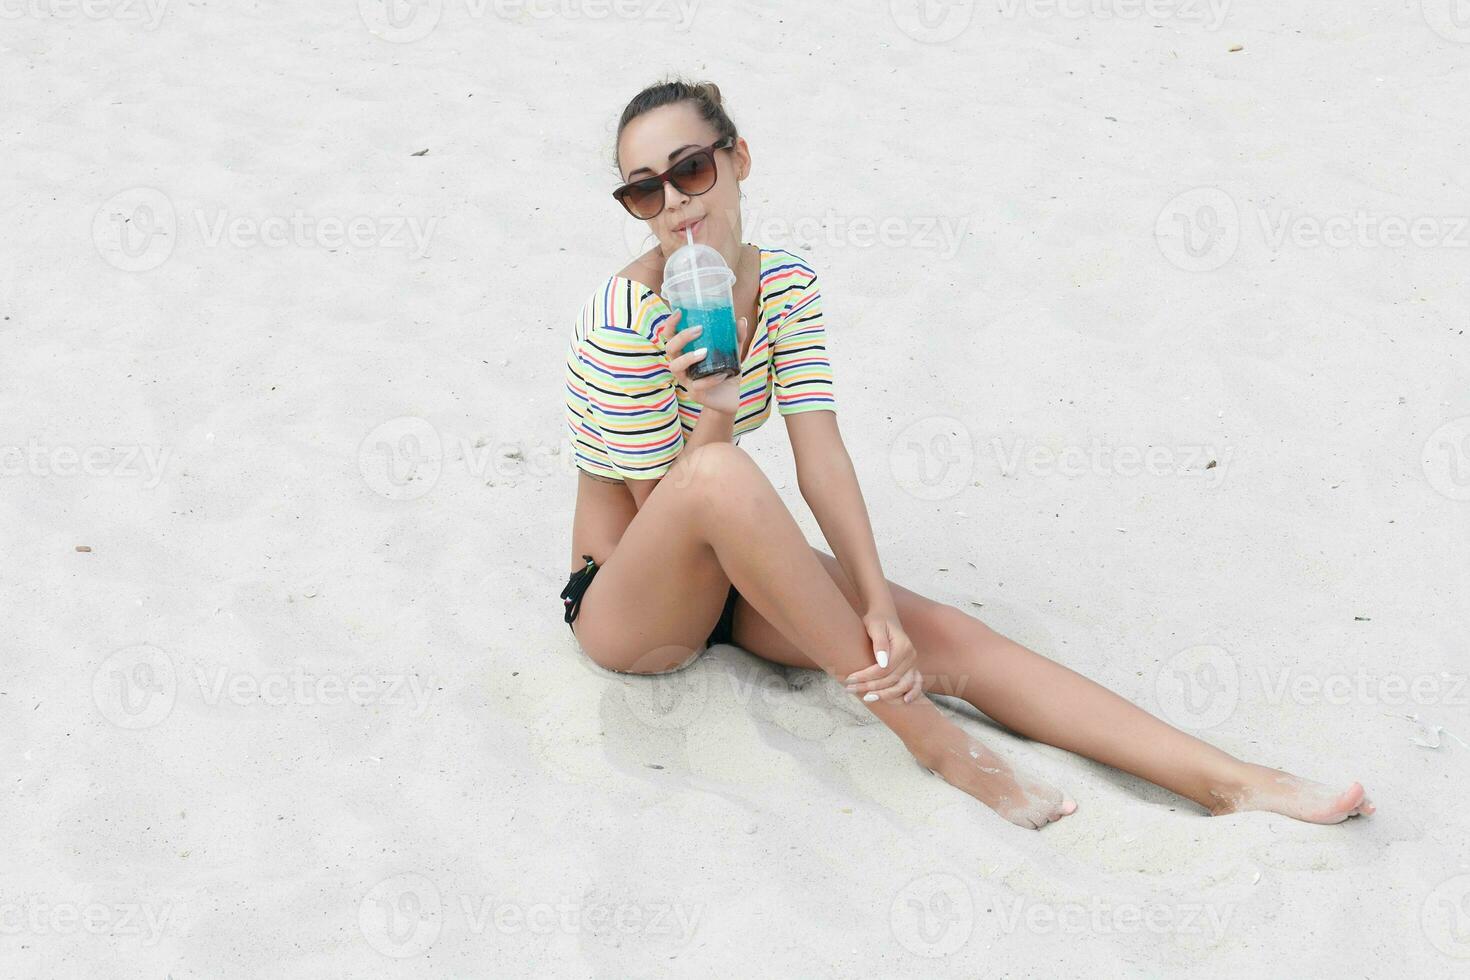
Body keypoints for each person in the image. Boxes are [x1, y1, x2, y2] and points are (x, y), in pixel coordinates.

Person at [559, 77, 1374, 830]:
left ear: (737, 158)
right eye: (643, 189)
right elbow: (676, 508)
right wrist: (716, 408)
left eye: (690, 169)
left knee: (942, 635)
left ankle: (1229, 779)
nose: (672, 204)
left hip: (735, 567)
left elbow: (821, 455)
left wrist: (875, 603)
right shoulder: (624, 317)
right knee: (722, 468)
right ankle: (938, 745)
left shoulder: (786, 282)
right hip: (638, 605)